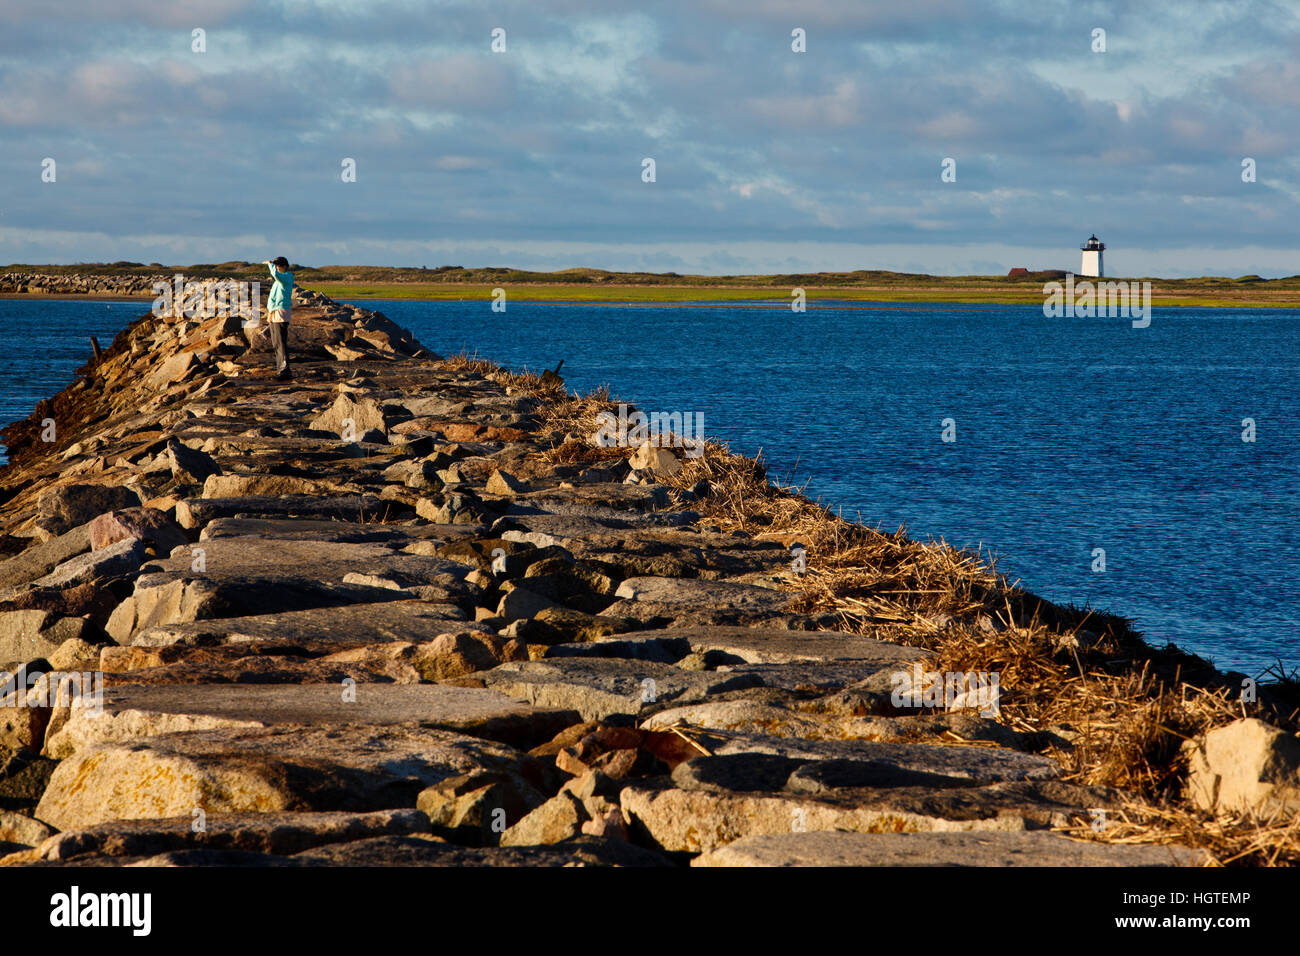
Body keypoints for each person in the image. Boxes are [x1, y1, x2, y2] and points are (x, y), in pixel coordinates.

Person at [263, 257, 294, 380]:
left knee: (281, 343)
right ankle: (280, 370)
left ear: (284, 266)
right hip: (274, 312)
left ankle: (285, 371)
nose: (277, 267)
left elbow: (275, 274)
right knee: (276, 343)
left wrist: (270, 265)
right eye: (276, 265)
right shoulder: (279, 280)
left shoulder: (287, 277)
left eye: (278, 265)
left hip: (281, 312)